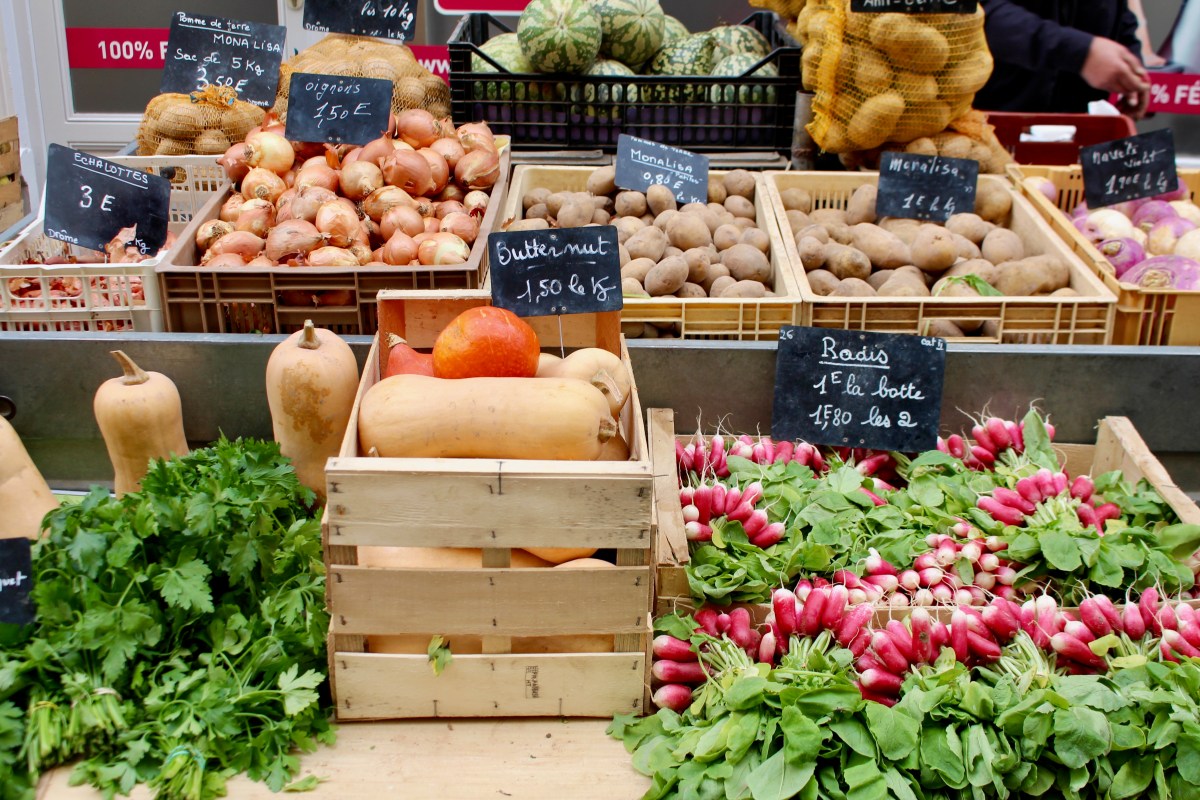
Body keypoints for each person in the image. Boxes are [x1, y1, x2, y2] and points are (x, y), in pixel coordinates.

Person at [975, 0, 1151, 120]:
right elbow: (979, 13)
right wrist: (1080, 52)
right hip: (991, 121)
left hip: (1083, 128)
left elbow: (1120, 16)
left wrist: (1130, 64)